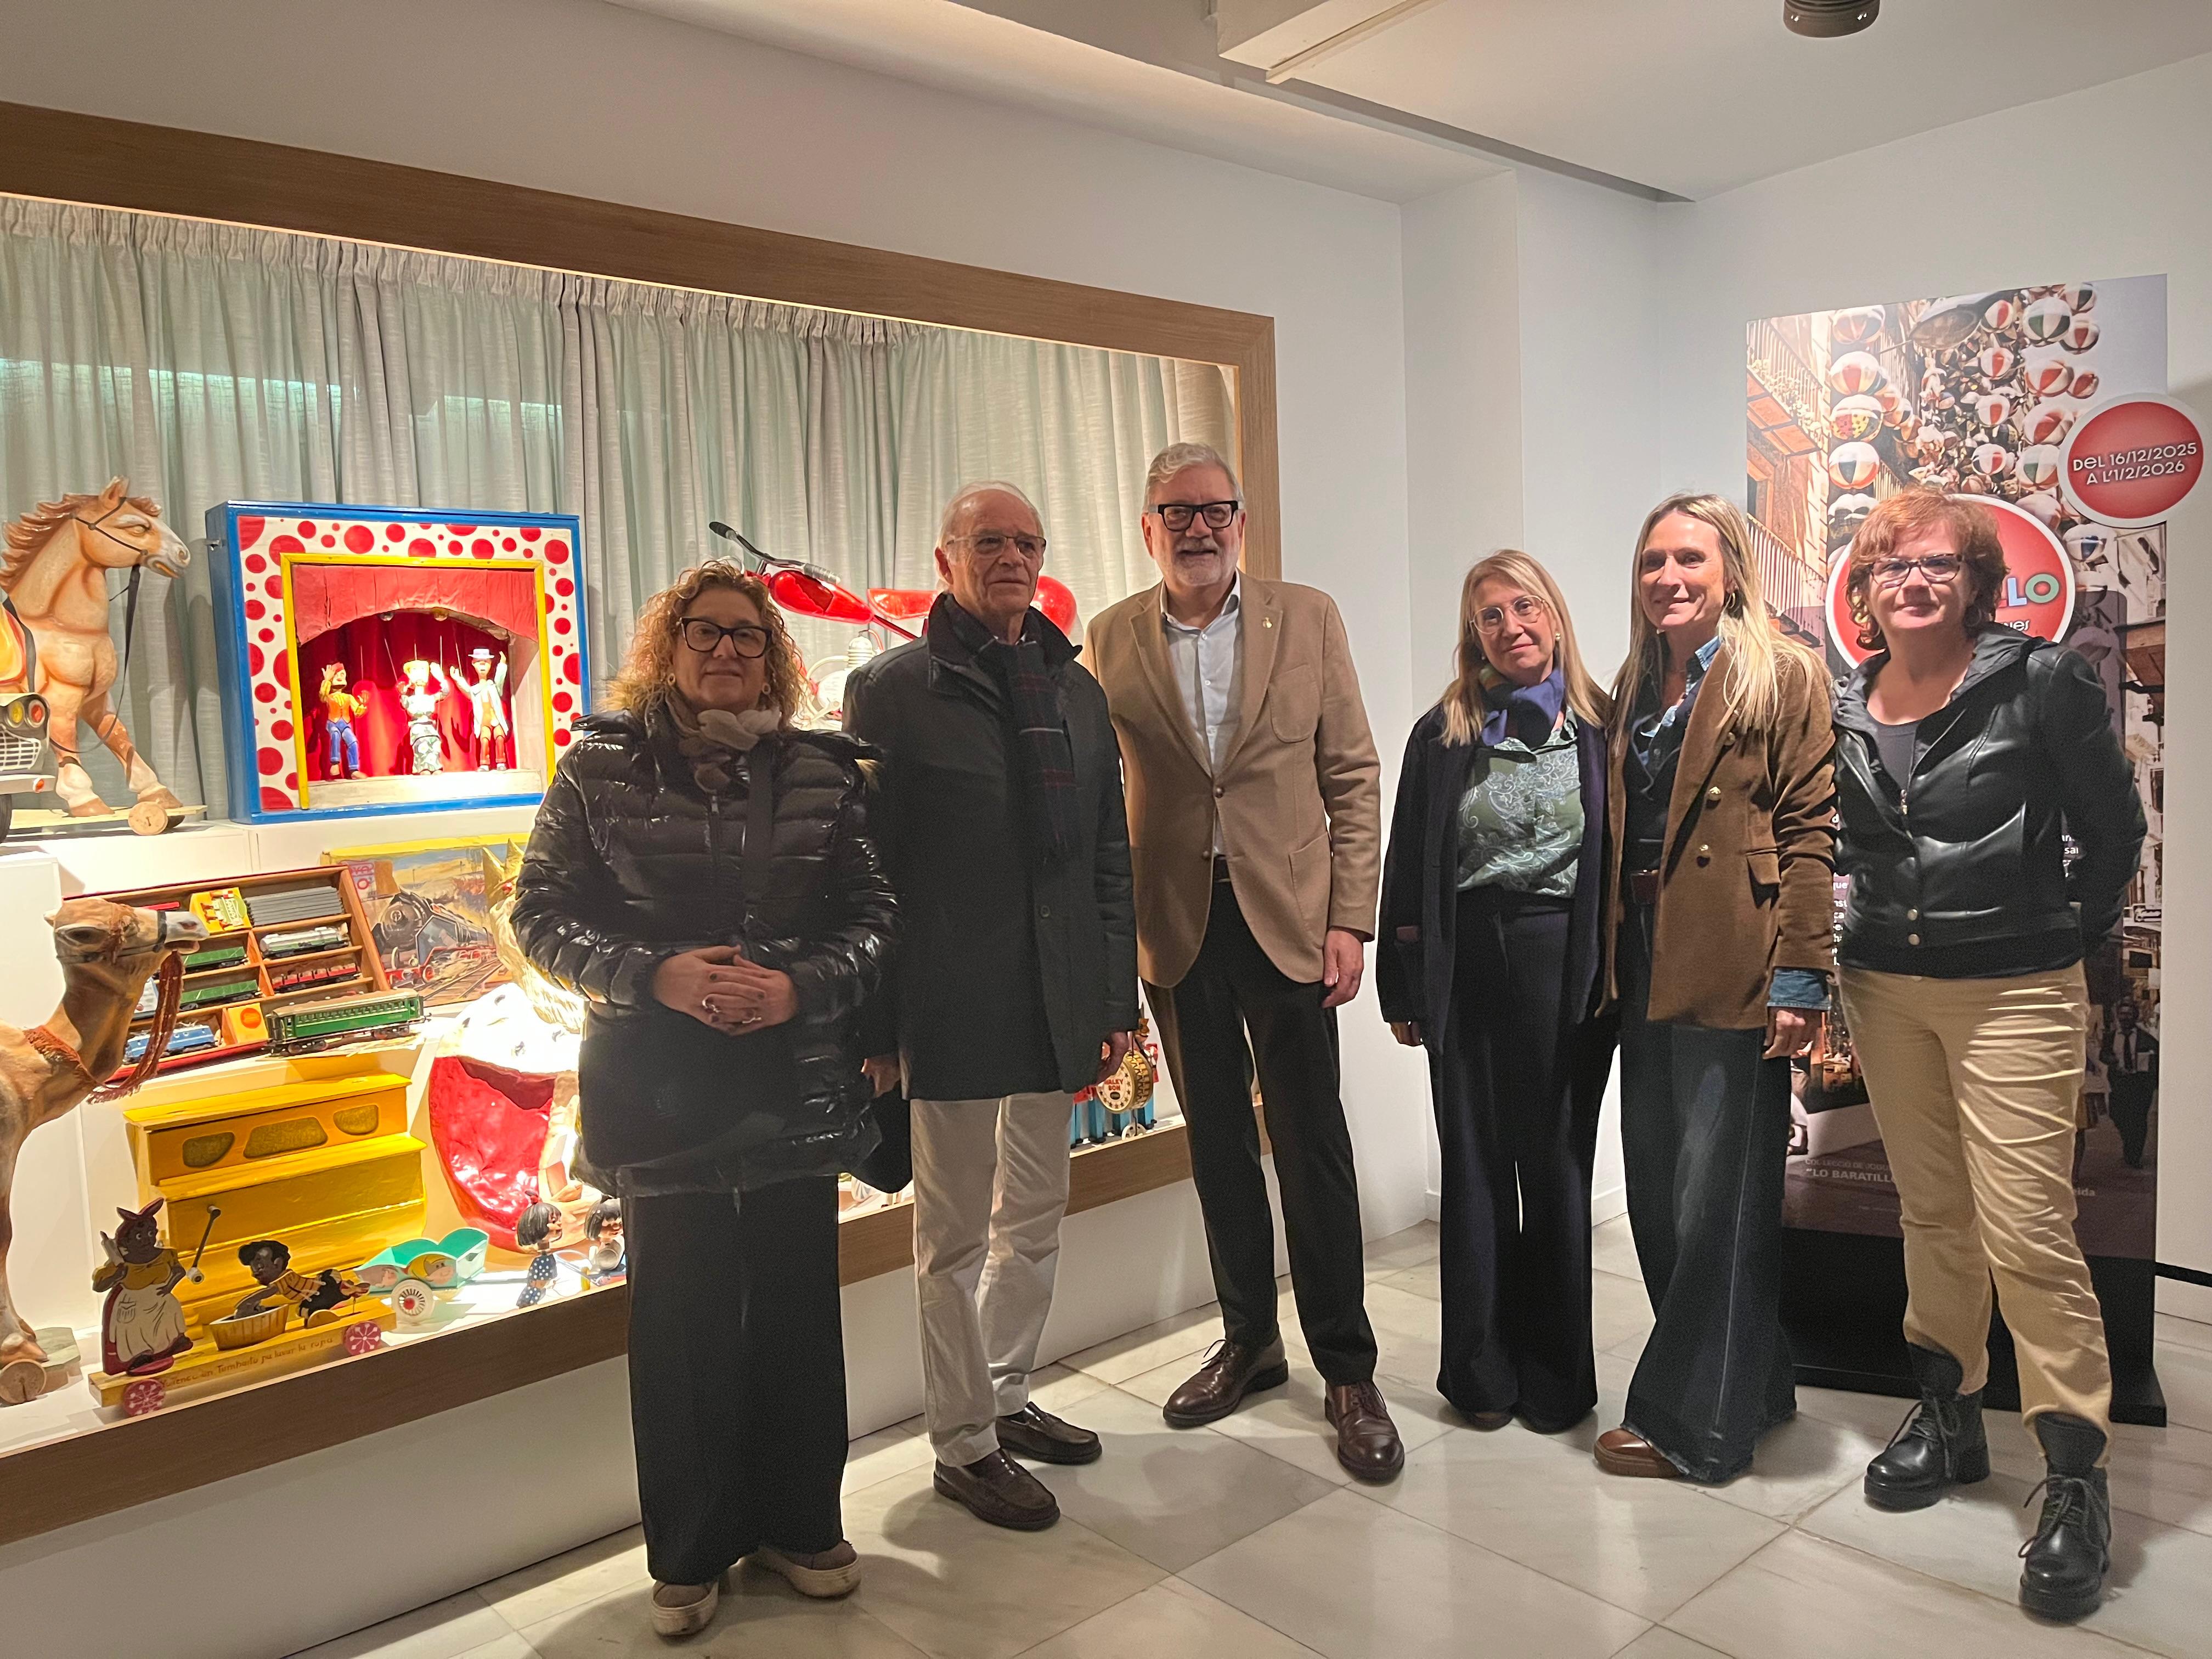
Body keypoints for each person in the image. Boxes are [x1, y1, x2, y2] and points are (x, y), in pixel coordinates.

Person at [511, 560, 894, 1637]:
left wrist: (799, 985)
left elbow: (874, 915)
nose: (726, 650)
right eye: (705, 632)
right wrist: (655, 976)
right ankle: (688, 1550)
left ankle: (802, 1524)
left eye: (745, 634)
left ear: (772, 654)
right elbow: (538, 914)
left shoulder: (823, 771)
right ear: (669, 648)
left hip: (795, 1082)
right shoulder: (599, 766)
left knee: (796, 1315)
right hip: (657, 1084)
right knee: (679, 1326)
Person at [1831, 487, 2143, 1621]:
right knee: (1932, 1213)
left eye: (1937, 564)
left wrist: (2059, 931)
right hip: (1884, 982)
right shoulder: (1845, 700)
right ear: (1865, 589)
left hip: (2015, 986)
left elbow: (2114, 828)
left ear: (1976, 581)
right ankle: (1950, 1411)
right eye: (1891, 565)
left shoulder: (2039, 679)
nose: (1913, 582)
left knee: (2027, 1228)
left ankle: (2075, 1474)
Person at [1085, 442, 1400, 1481]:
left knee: (1312, 1144)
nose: (1198, 528)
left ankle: (1347, 1368)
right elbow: (1104, 795)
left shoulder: (1306, 617)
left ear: (1241, 521)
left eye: (1214, 510)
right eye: (1176, 513)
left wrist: (1350, 917)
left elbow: (1352, 773)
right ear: (1148, 529)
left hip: (1290, 919)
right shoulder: (1111, 636)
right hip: (1176, 924)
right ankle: (1250, 1340)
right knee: (1217, 1144)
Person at [845, 482, 1137, 1532]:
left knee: (1037, 1214)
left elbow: (1107, 853)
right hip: (951, 999)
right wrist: (878, 1026)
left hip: (1056, 994)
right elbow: (867, 867)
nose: (1010, 556)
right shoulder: (891, 690)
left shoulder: (1075, 689)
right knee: (952, 1237)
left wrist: (1111, 999)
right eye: (987, 542)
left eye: (1025, 541)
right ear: (946, 559)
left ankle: (1006, 1390)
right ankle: (963, 1442)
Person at [1598, 493, 1834, 1486]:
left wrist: (1801, 975)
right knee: (1658, 1189)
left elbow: (1811, 828)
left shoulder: (1783, 671)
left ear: (1729, 569)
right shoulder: (1632, 680)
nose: (1669, 577)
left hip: (1735, 950)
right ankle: (1756, 1384)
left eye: (1689, 559)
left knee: (1716, 1200)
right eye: (1653, 560)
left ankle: (1696, 1428)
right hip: (1641, 950)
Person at [1377, 551, 1615, 1433]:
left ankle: (1556, 1378)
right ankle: (1480, 1373)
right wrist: (1403, 988)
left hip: (1566, 961)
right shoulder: (1443, 733)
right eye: (1490, 616)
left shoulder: (1601, 728)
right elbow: (1409, 859)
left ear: (1554, 615)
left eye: (1525, 607)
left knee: (1555, 1164)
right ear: (1472, 634)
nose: (1511, 627)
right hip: (1467, 962)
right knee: (1475, 1165)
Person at [2102, 998, 2157, 1170]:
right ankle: (2129, 1143)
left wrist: (2152, 1081)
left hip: (2140, 1085)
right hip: (2119, 1085)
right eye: (2122, 1014)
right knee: (2118, 1116)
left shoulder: (2146, 1038)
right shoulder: (2110, 1037)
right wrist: (2111, 1060)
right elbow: (2103, 1055)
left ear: (2135, 1016)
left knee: (2139, 1120)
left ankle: (2135, 1155)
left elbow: (2157, 1058)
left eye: (2129, 1014)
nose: (2125, 1017)